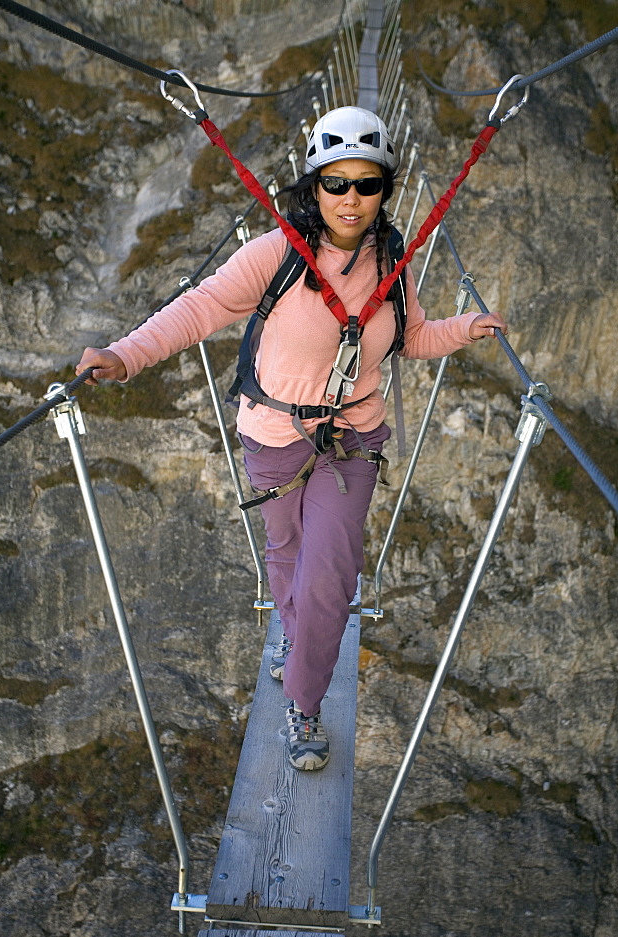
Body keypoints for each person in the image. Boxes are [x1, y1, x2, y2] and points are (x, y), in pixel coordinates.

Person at [76, 106, 507, 772]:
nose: (352, 199)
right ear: (314, 187)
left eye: (368, 184)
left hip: (352, 443)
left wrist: (463, 329)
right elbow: (198, 308)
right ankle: (295, 636)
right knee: (286, 549)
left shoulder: (392, 259)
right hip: (275, 434)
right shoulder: (275, 254)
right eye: (337, 183)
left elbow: (413, 338)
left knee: (329, 577)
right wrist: (124, 355)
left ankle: (304, 704)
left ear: (385, 191)